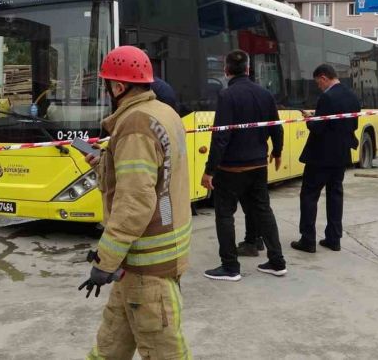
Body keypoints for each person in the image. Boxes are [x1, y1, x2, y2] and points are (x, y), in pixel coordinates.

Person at [80, 45, 191, 359]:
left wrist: (104, 262)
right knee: (109, 348)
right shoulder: (164, 112)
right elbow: (156, 177)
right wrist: (106, 163)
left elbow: (135, 202)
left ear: (118, 86)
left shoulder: (134, 125)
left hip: (147, 266)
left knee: (166, 353)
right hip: (144, 262)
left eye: (106, 85)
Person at [201, 49, 287, 281]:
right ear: (248, 69)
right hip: (258, 165)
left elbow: (221, 136)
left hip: (231, 169)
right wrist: (277, 151)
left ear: (226, 70)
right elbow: (276, 127)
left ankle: (230, 267)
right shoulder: (265, 94)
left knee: (225, 215)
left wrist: (209, 170)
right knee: (263, 211)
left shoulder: (226, 96)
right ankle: (277, 262)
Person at [290, 64, 360, 253]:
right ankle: (334, 238)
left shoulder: (327, 97)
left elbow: (319, 128)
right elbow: (351, 124)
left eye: (317, 83)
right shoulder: (352, 96)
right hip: (341, 155)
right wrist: (318, 116)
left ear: (323, 78)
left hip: (320, 156)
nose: (318, 86)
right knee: (335, 195)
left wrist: (310, 120)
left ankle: (307, 239)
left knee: (309, 195)